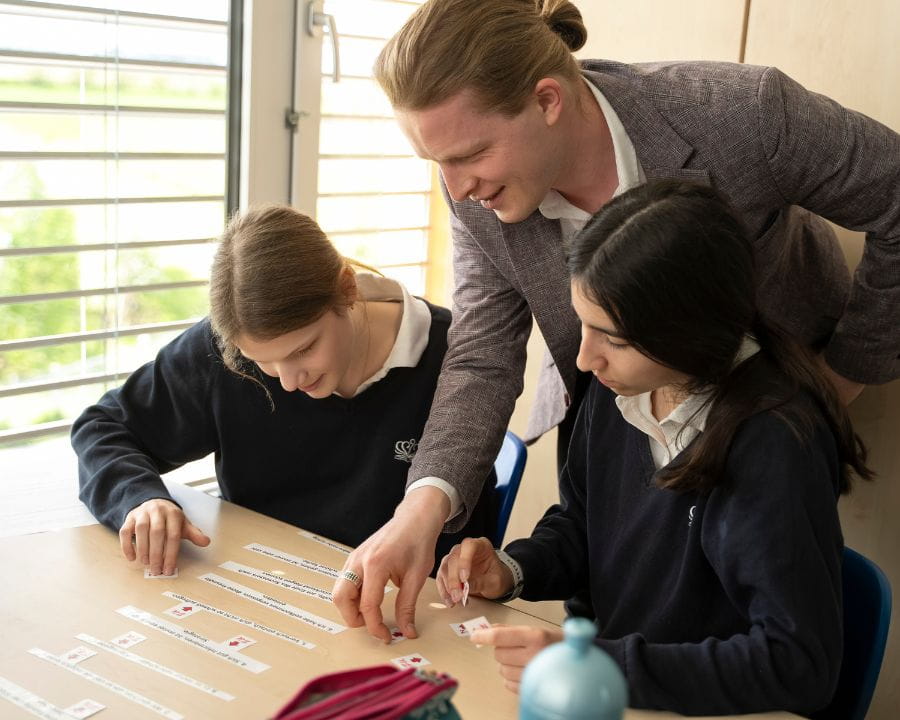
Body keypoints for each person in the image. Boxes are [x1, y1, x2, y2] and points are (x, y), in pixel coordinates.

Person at [332, 0, 900, 641]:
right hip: (620, 420)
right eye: (436, 163)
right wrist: (421, 511)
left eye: (470, 155)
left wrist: (841, 376)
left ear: (547, 99)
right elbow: (483, 351)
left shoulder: (739, 114)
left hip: (770, 408)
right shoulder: (473, 191)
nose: (456, 190)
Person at [436, 180, 873, 715]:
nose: (585, 359)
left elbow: (797, 665)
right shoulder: (617, 387)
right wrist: (512, 569)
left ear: (688, 330)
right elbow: (582, 525)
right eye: (584, 327)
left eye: (613, 339)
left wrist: (601, 664)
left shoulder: (774, 442)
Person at [71, 204, 495, 580]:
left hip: (398, 609)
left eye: (304, 349)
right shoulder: (221, 351)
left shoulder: (462, 364)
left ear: (346, 289)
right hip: (258, 587)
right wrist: (139, 500)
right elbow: (103, 427)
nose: (289, 381)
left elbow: (465, 554)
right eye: (262, 362)